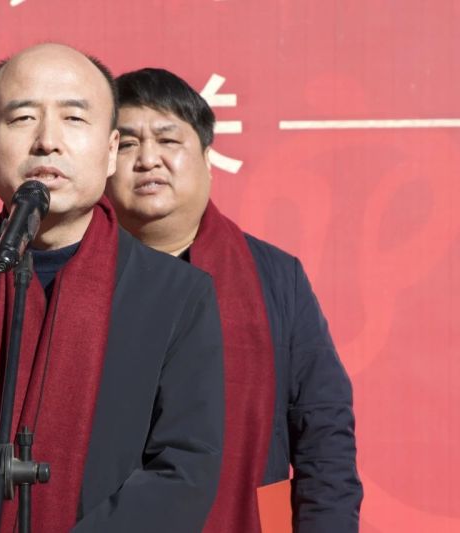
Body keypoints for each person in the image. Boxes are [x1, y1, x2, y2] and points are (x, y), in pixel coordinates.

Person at [0, 43, 225, 532]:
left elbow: (184, 467)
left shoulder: (177, 296)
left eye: (74, 118)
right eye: (22, 118)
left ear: (110, 150)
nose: (47, 141)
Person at [105, 67, 363, 532]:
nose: (147, 159)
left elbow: (323, 429)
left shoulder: (275, 276)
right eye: (127, 144)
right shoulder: (72, 275)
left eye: (168, 140)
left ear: (207, 158)